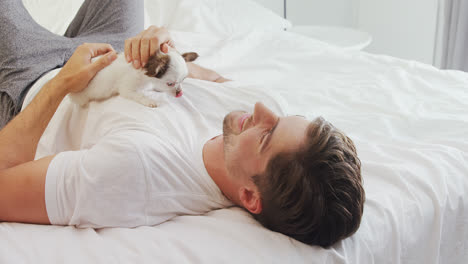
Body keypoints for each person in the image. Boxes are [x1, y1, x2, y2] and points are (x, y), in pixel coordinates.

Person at [0, 0, 365, 248]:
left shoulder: (138, 170)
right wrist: (163, 49)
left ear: (251, 197)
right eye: (281, 118)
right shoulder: (252, 115)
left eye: (267, 134)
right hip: (117, 59)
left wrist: (63, 81)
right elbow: (204, 76)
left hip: (39, 82)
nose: (260, 109)